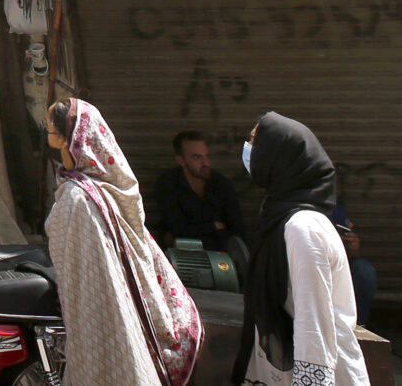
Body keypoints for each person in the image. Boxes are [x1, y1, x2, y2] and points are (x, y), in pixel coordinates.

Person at [45, 99, 203, 386]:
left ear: (70, 139)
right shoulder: (111, 188)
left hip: (99, 309)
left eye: (51, 132)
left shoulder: (77, 199)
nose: (48, 138)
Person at [234, 112, 367, 386]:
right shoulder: (280, 218)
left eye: (256, 141)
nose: (249, 149)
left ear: (279, 157)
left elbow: (313, 324)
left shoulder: (304, 229)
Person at [150, 129, 248, 271]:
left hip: (221, 262)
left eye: (206, 156)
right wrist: (214, 226)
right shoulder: (168, 184)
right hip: (183, 263)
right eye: (197, 157)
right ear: (181, 160)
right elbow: (177, 230)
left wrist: (192, 231)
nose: (205, 163)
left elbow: (237, 232)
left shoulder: (221, 184)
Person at [329, 202, 376, 331]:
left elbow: (352, 253)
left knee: (364, 271)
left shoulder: (334, 208)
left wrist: (353, 248)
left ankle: (357, 327)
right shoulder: (295, 207)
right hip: (309, 266)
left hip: (336, 263)